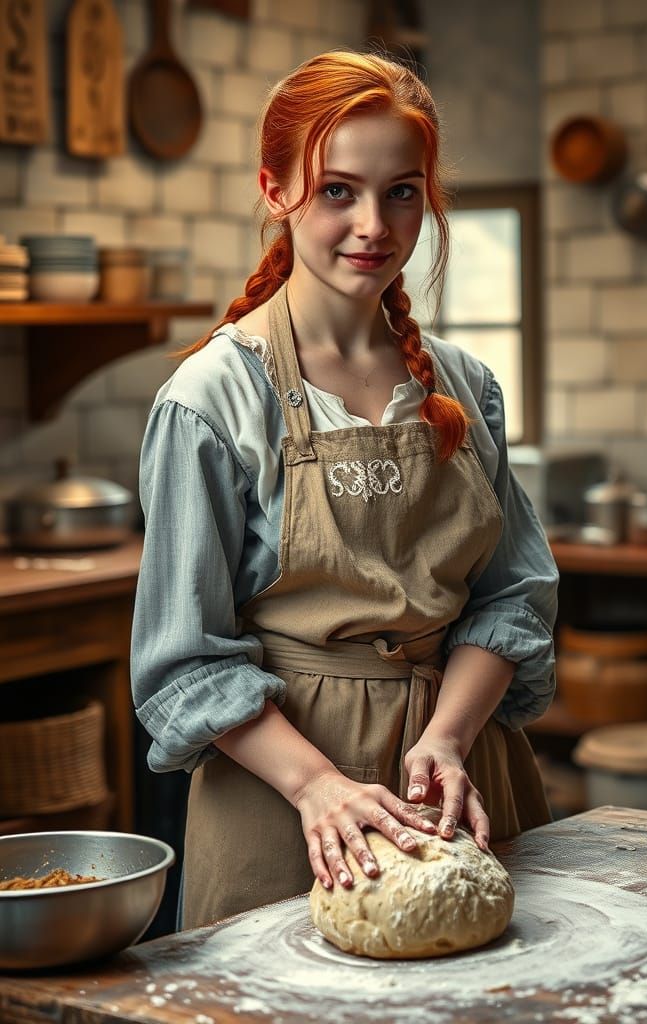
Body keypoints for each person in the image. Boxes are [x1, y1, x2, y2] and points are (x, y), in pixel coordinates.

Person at [130, 49, 558, 931]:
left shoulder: (465, 386)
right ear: (276, 189)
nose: (374, 224)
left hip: (462, 785)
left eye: (403, 191)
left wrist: (447, 735)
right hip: (285, 807)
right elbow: (184, 663)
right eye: (337, 191)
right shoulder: (212, 400)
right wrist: (320, 788)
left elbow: (511, 595)